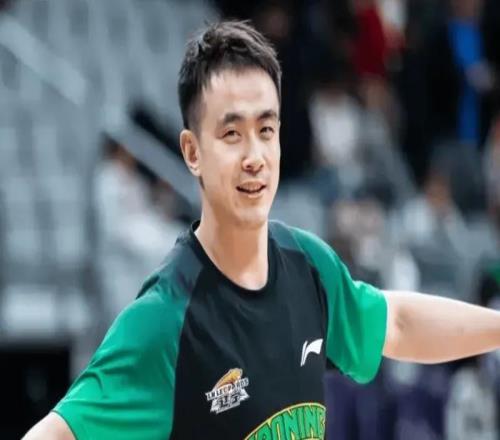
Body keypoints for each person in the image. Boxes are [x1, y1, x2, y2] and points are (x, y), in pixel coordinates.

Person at [23, 20, 500, 440]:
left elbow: (397, 324)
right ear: (192, 152)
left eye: (266, 130)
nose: (254, 156)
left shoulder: (308, 265)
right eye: (232, 133)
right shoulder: (165, 318)